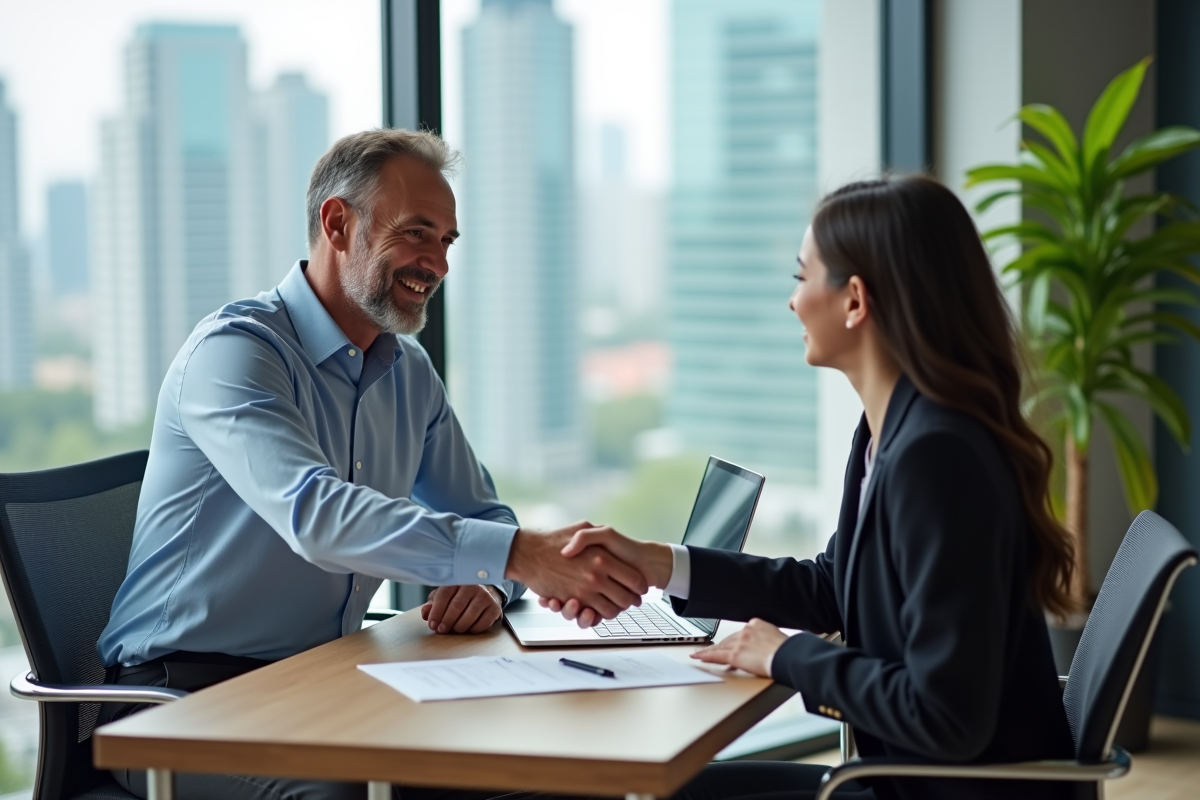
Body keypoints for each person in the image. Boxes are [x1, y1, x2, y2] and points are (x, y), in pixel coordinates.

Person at [96, 129, 649, 800]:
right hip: (180, 706)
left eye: (446, 242)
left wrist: (488, 584)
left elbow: (481, 514)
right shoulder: (236, 355)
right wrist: (517, 556)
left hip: (324, 683)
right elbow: (318, 516)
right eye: (417, 234)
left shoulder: (407, 370)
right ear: (338, 223)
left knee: (535, 766)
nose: (436, 264)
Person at [543, 176, 1079, 800]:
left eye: (802, 278)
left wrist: (784, 655)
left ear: (854, 300)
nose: (792, 302)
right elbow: (833, 586)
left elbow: (948, 716)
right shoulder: (887, 431)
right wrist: (661, 564)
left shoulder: (938, 456)